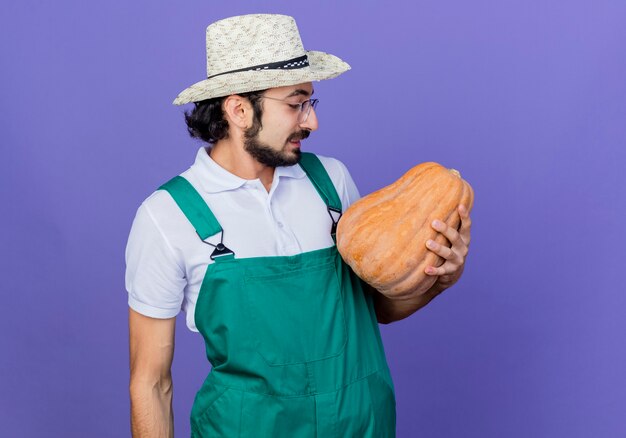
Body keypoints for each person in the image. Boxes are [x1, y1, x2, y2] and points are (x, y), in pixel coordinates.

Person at [126, 14, 471, 438]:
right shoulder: (167, 216)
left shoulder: (333, 183)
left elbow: (373, 311)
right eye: (295, 104)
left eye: (311, 102)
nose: (311, 122)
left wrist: (438, 279)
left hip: (362, 428)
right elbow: (151, 382)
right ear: (238, 109)